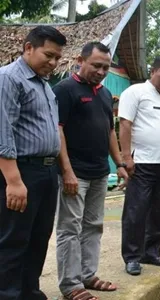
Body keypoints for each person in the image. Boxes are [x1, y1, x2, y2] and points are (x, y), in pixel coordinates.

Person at [53, 42, 129, 300]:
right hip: (74, 173)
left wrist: (119, 164)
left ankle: (88, 275)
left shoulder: (106, 95)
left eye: (105, 67)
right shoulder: (64, 90)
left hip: (98, 173)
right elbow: (58, 130)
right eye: (96, 65)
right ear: (80, 60)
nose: (101, 71)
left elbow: (110, 131)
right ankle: (71, 285)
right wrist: (67, 171)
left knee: (94, 225)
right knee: (69, 229)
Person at [0, 26, 67, 300]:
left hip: (46, 172)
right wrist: (14, 181)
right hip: (22, 171)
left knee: (39, 237)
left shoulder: (42, 84)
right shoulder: (9, 79)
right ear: (29, 48)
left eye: (57, 58)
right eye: (48, 55)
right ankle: (8, 294)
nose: (52, 63)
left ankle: (29, 291)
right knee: (13, 239)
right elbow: (3, 131)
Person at [118, 56, 160, 276]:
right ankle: (132, 257)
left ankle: (151, 252)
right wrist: (126, 157)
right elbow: (125, 123)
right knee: (136, 211)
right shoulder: (135, 93)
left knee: (159, 211)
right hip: (142, 163)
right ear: (152, 71)